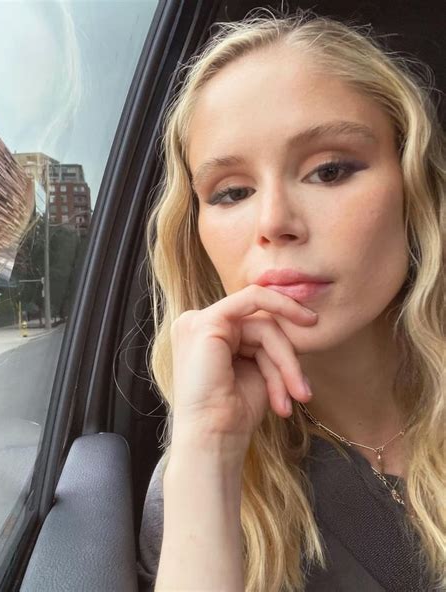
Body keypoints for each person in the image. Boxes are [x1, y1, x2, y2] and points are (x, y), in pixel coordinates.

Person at [137, 8, 445, 592]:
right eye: (232, 192)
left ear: (413, 188)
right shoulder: (198, 483)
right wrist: (207, 450)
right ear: (195, 232)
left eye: (329, 171)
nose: (275, 221)